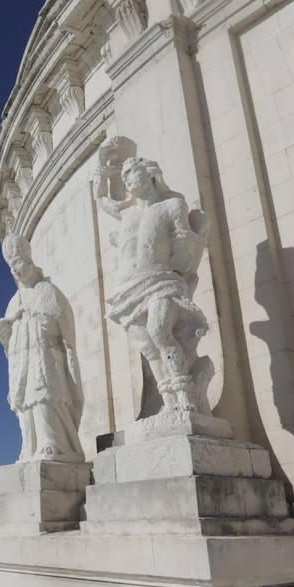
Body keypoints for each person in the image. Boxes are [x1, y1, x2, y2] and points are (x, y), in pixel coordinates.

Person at [99, 155, 212, 416]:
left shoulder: (172, 204)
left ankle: (185, 396)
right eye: (124, 175)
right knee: (148, 348)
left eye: (131, 172)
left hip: (160, 280)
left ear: (150, 173)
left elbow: (186, 241)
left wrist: (196, 239)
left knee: (160, 330)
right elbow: (104, 203)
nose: (126, 178)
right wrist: (100, 175)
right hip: (127, 287)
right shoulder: (127, 213)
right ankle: (169, 402)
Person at [0, 233, 84, 462]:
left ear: (30, 262)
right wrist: (0, 327)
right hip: (22, 362)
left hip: (44, 355)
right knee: (25, 403)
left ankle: (53, 443)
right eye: (11, 268)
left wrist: (38, 316)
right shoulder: (14, 300)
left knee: (44, 396)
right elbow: (9, 339)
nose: (16, 271)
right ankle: (30, 446)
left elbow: (60, 321)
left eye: (18, 263)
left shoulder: (46, 290)